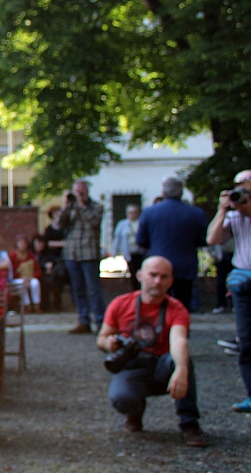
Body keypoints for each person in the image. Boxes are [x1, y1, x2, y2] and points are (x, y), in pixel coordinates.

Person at [98, 257, 206, 446]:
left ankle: (189, 424)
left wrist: (181, 369)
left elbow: (179, 340)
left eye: (163, 277)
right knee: (120, 397)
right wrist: (109, 343)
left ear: (170, 281)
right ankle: (135, 412)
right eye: (153, 275)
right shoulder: (120, 304)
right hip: (133, 366)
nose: (157, 281)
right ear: (140, 276)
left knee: (182, 361)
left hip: (162, 365)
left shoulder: (176, 308)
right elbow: (101, 338)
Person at [207, 173, 251, 412]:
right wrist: (222, 210)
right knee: (246, 341)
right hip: (243, 283)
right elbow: (212, 238)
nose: (240, 191)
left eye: (245, 186)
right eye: (237, 186)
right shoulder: (235, 216)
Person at [136, 177, 208, 312]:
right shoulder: (195, 213)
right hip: (185, 265)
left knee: (158, 305)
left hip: (158, 266)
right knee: (183, 306)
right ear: (181, 192)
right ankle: (180, 331)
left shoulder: (150, 212)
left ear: (163, 191)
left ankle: (161, 331)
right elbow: (203, 240)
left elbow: (141, 240)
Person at [61, 180, 106, 333]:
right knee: (77, 289)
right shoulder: (71, 207)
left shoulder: (96, 207)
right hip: (72, 253)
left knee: (94, 290)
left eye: (80, 192)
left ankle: (100, 321)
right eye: (76, 192)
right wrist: (66, 207)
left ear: (86, 192)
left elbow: (94, 221)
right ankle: (83, 320)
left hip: (89, 253)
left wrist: (81, 204)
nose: (77, 195)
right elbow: (60, 224)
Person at [111, 204, 144, 291]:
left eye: (134, 212)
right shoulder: (122, 224)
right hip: (129, 252)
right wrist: (114, 251)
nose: (132, 215)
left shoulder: (141, 223)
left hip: (140, 251)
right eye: (130, 212)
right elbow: (117, 238)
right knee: (133, 272)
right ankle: (135, 290)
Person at [10, 233, 42, 312]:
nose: (23, 245)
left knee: (35, 283)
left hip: (30, 277)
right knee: (21, 283)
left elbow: (38, 270)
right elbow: (11, 271)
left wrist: (30, 277)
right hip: (18, 278)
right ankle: (27, 305)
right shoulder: (12, 256)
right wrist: (21, 277)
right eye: (21, 243)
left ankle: (37, 305)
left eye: (25, 243)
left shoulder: (31, 256)